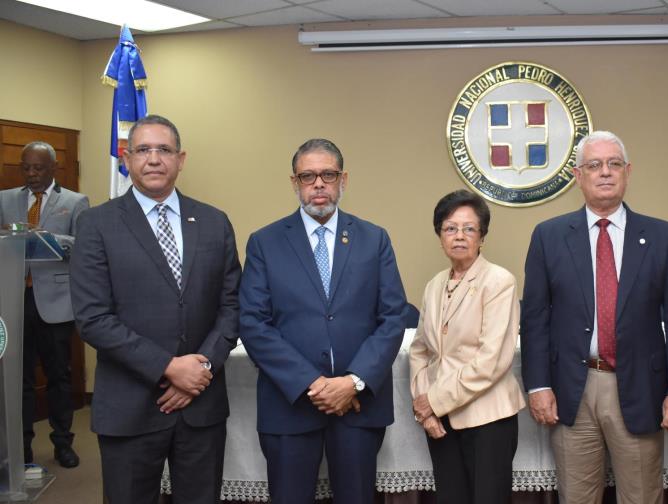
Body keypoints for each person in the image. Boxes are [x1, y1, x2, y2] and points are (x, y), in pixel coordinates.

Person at [520, 130, 668, 504]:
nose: (605, 172)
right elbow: (535, 319)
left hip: (639, 387)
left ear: (627, 172)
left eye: (613, 164)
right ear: (578, 175)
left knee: (641, 497)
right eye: (594, 165)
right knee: (578, 498)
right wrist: (538, 386)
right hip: (573, 387)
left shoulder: (664, 237)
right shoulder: (548, 237)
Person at [70, 115, 241, 504]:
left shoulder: (214, 222)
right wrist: (169, 368)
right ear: (126, 159)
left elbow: (231, 304)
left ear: (180, 159)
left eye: (163, 150)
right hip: (130, 406)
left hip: (201, 405)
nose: (153, 159)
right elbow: (93, 318)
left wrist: (201, 369)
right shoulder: (96, 224)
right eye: (142, 150)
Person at [239, 138, 407, 504]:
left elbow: (393, 316)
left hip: (357, 405)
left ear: (343, 180)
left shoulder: (374, 239)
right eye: (308, 176)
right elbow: (253, 322)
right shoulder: (265, 243)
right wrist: (312, 384)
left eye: (327, 175)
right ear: (294, 183)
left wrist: (353, 381)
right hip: (291, 405)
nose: (318, 184)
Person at [409, 189, 525, 504]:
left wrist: (433, 400)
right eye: (450, 228)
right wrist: (426, 411)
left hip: (488, 420)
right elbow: (420, 351)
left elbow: (492, 361)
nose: (459, 236)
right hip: (440, 421)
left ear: (481, 236)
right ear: (440, 235)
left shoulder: (499, 281)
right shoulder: (434, 285)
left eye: (469, 229)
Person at [0, 141, 89, 468]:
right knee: (16, 379)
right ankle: (20, 447)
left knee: (59, 377)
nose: (32, 174)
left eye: (39, 168)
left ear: (53, 168)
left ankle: (63, 443)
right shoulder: (5, 199)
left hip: (55, 303)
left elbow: (83, 246)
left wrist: (46, 237)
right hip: (13, 299)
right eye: (26, 167)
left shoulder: (75, 202)